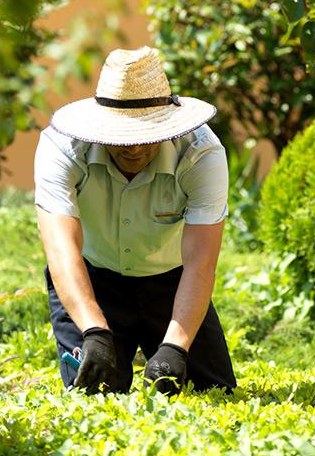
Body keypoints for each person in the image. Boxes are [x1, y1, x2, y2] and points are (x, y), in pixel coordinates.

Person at [33, 46, 236, 395]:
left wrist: (175, 346)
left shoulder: (201, 155)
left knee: (215, 392)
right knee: (92, 397)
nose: (133, 148)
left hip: (171, 281)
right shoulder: (62, 147)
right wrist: (94, 330)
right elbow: (61, 248)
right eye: (121, 136)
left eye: (145, 135)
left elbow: (201, 262)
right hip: (93, 277)